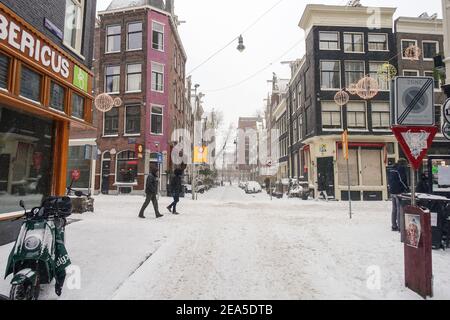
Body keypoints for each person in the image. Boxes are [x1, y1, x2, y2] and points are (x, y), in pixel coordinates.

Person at [388, 159, 409, 232]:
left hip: (392, 191)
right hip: (399, 191)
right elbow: (402, 180)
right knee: (400, 209)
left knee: (394, 209)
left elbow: (389, 180)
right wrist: (407, 188)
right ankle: (400, 227)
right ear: (403, 163)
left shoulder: (392, 169)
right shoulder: (401, 168)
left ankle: (394, 225)